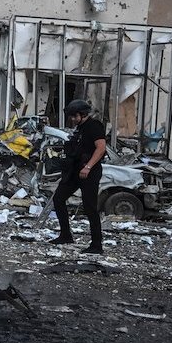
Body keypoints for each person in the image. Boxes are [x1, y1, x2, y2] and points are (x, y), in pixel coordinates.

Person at [49, 99, 107, 254]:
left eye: (74, 116)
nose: (72, 119)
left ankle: (96, 245)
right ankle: (65, 235)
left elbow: (101, 148)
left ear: (83, 114)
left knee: (90, 207)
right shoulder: (79, 129)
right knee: (58, 198)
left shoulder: (94, 126)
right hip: (74, 171)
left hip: (89, 172)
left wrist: (88, 167)